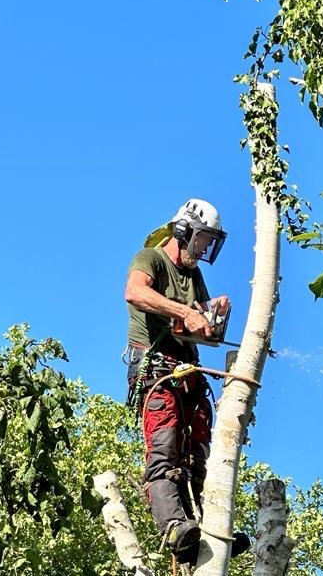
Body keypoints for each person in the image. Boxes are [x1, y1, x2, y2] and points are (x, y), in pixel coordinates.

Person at [124, 199, 235, 565]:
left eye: (209, 243)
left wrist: (212, 315)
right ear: (184, 231)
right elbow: (135, 292)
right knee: (165, 451)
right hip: (157, 370)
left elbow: (201, 330)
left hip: (189, 372)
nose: (203, 250)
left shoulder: (194, 278)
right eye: (202, 240)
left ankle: (203, 529)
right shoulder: (151, 259)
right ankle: (172, 525)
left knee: (197, 455)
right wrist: (184, 311)